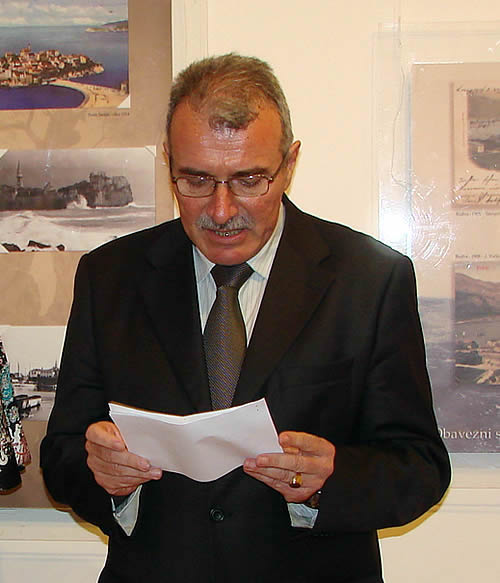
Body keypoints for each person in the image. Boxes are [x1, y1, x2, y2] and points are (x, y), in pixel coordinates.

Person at [41, 53, 450, 583]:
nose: (221, 209)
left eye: (249, 180)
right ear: (168, 162)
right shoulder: (109, 276)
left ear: (290, 163)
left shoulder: (370, 279)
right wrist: (105, 476)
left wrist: (329, 479)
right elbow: (63, 456)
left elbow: (420, 466)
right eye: (195, 180)